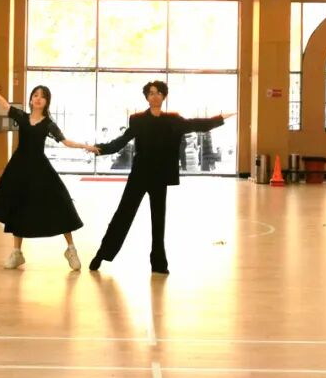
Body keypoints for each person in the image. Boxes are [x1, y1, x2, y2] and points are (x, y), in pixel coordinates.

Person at [89, 80, 232, 275]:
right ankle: (102, 254)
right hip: (139, 175)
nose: (154, 96)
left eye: (158, 93)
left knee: (158, 221)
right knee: (123, 215)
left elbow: (197, 124)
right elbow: (121, 141)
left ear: (164, 96)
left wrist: (220, 118)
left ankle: (158, 263)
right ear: (147, 97)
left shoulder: (173, 120)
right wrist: (100, 149)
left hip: (160, 177)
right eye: (151, 93)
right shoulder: (138, 120)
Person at [0, 76, 97, 270]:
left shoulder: (48, 123)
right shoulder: (22, 117)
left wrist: (85, 146)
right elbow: (5, 105)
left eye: (42, 96)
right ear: (31, 99)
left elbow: (65, 141)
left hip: (40, 168)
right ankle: (17, 253)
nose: (38, 98)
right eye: (35, 95)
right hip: (19, 168)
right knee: (18, 206)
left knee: (60, 203)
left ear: (47, 102)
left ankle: (71, 249)